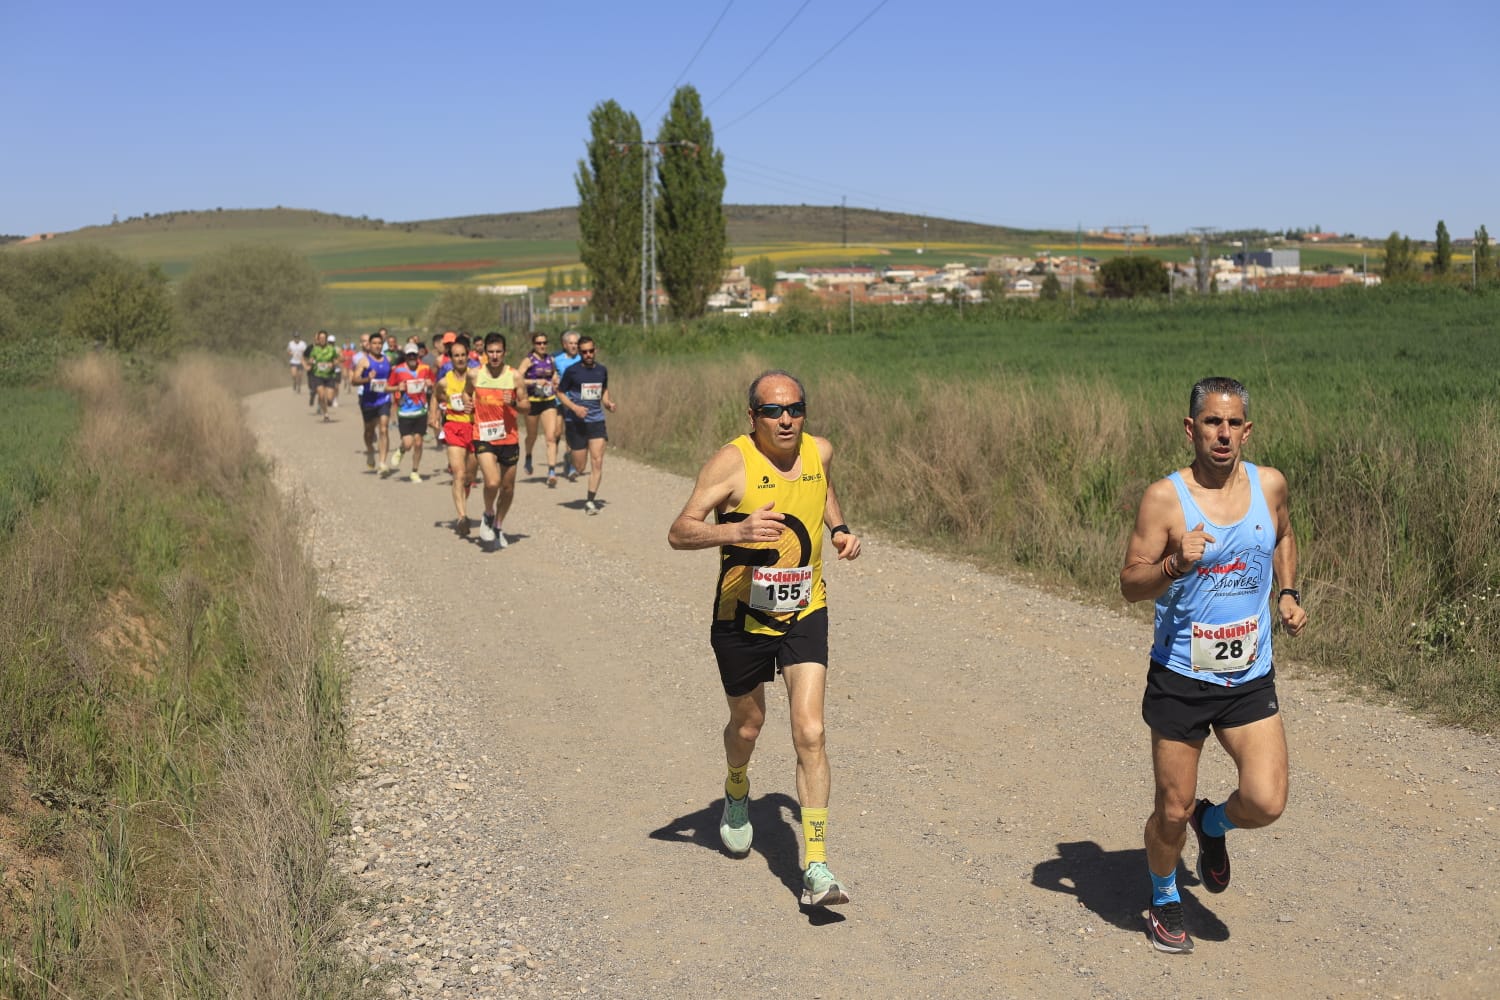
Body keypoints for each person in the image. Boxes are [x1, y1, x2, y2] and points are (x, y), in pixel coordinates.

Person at [1119, 376, 1308, 954]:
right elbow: (1130, 584)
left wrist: (1287, 593)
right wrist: (1175, 563)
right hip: (1181, 677)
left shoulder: (1269, 485)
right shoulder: (1164, 499)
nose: (1222, 434)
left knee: (1267, 800)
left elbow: (1284, 535)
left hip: (1248, 676)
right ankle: (1165, 893)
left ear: (1246, 430)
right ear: (1190, 428)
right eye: (1211, 422)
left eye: (1232, 424)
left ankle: (1215, 824)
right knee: (1170, 810)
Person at [667, 370, 862, 908]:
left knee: (811, 731)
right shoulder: (731, 463)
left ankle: (817, 867)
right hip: (740, 615)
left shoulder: (819, 451)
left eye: (795, 409)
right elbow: (680, 530)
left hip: (805, 606)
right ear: (751, 416)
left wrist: (839, 530)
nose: (786, 419)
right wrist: (735, 530)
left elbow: (822, 491)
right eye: (773, 411)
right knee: (749, 725)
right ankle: (736, 787)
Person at [471, 332, 530, 549]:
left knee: (507, 488)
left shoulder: (514, 377)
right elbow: (468, 395)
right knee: (492, 481)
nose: (494, 356)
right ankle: (488, 513)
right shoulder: (475, 375)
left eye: (498, 352)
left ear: (504, 353)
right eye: (490, 352)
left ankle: (498, 524)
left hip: (509, 438)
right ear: (484, 353)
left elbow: (527, 406)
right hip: (484, 435)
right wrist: (469, 407)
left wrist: (514, 401)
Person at [556, 336, 615, 514]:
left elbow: (603, 389)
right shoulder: (572, 371)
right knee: (580, 467)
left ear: (595, 350)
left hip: (596, 421)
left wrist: (607, 403)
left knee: (597, 462)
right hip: (576, 422)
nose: (588, 354)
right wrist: (574, 408)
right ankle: (570, 458)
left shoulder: (602, 370)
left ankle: (590, 501)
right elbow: (559, 393)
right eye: (584, 352)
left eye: (591, 351)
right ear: (580, 353)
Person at [434, 336, 477, 536]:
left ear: (468, 356)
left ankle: (465, 491)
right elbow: (435, 396)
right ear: (450, 358)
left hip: (475, 428)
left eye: (462, 355)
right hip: (453, 427)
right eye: (456, 356)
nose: (459, 359)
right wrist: (433, 415)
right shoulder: (444, 381)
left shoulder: (477, 376)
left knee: (469, 475)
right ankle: (462, 517)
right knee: (458, 473)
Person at [388, 343, 433, 482]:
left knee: (418, 442)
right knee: (408, 444)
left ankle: (415, 471)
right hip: (405, 412)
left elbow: (433, 382)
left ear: (418, 355)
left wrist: (430, 383)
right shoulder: (398, 370)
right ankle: (401, 449)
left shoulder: (425, 368)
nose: (412, 357)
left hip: (421, 411)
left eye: (414, 354)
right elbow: (387, 387)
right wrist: (397, 387)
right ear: (406, 356)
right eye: (409, 355)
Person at [520, 332, 561, 485]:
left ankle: (551, 471)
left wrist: (555, 379)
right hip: (532, 402)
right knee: (532, 435)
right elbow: (517, 379)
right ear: (534, 344)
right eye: (539, 343)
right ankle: (528, 456)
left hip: (548, 400)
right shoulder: (528, 360)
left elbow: (554, 374)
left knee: (551, 436)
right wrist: (535, 382)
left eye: (544, 342)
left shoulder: (551, 359)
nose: (542, 346)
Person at [353, 330, 395, 473]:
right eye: (374, 343)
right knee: (369, 431)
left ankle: (382, 463)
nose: (377, 346)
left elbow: (391, 378)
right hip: (368, 401)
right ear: (369, 345)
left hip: (384, 399)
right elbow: (354, 380)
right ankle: (370, 450)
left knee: (383, 429)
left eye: (379, 343)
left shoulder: (387, 360)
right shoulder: (364, 361)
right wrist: (367, 379)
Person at [552, 330, 583, 480]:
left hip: (575, 402)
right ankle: (553, 460)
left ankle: (570, 465)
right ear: (565, 345)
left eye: (576, 343)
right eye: (571, 343)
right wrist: (553, 379)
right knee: (557, 433)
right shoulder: (557, 359)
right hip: (559, 400)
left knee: (571, 434)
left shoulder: (582, 359)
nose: (574, 346)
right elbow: (548, 373)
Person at [304, 330, 340, 421]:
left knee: (329, 399)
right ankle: (326, 414)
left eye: (324, 338)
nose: (322, 340)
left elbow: (337, 360)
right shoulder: (315, 349)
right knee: (321, 395)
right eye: (320, 338)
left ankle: (328, 404)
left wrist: (333, 364)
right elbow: (310, 359)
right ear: (318, 339)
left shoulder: (331, 349)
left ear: (326, 339)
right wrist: (310, 362)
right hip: (318, 375)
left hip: (330, 375)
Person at [287, 332, 307, 397]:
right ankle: (294, 383)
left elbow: (305, 352)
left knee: (300, 376)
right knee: (294, 375)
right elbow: (288, 351)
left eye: (297, 337)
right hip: (293, 361)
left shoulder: (303, 343)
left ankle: (299, 386)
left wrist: (303, 356)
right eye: (295, 337)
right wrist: (291, 353)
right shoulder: (290, 343)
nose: (296, 338)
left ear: (299, 337)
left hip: (300, 362)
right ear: (293, 337)